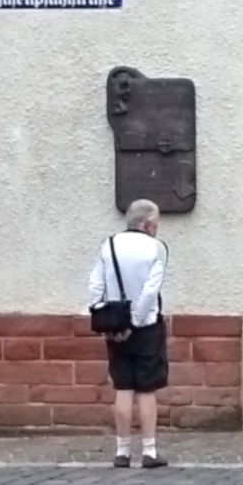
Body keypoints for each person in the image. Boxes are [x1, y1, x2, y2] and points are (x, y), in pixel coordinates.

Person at [88, 199, 169, 469]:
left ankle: (122, 451)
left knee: (123, 387)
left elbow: (95, 286)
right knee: (146, 388)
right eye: (155, 223)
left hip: (116, 326)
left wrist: (110, 321)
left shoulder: (108, 245)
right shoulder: (156, 248)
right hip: (146, 325)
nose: (157, 228)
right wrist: (134, 321)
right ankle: (149, 451)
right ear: (147, 224)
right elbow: (150, 291)